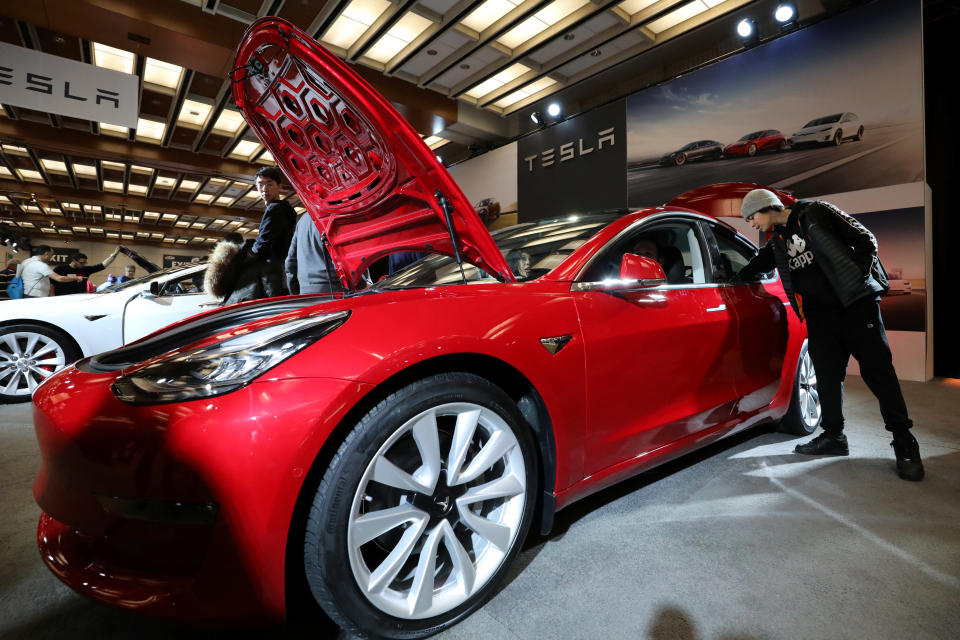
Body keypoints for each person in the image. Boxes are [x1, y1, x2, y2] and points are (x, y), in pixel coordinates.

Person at [736, 188, 923, 481]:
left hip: (855, 308)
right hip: (820, 316)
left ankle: (904, 441)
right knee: (826, 377)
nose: (752, 223)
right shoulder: (779, 240)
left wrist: (854, 282)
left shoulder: (815, 213)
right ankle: (834, 437)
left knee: (879, 374)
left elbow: (866, 240)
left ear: (765, 208)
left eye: (751, 217)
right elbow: (759, 263)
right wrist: (731, 278)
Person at [222, 167, 296, 304]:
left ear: (279, 186)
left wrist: (246, 257)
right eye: (260, 185)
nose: (264, 189)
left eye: (269, 184)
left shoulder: (275, 208)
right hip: (281, 267)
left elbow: (262, 243)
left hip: (271, 269)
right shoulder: (286, 208)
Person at [285, 212, 344, 295]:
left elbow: (290, 261)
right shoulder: (331, 216)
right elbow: (342, 258)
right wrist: (360, 285)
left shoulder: (302, 221)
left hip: (305, 292)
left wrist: (294, 293)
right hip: (335, 290)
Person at [18, 245, 83, 297]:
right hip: (37, 296)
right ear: (46, 254)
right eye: (51, 255)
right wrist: (76, 278)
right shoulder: (41, 265)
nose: (51, 257)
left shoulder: (25, 262)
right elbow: (59, 278)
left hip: (26, 293)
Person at [52, 248, 121, 295]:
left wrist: (114, 254)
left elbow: (102, 265)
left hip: (80, 298)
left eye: (85, 263)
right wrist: (51, 297)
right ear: (74, 261)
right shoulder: (60, 269)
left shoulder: (85, 269)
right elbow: (52, 284)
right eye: (81, 263)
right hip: (62, 298)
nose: (83, 264)